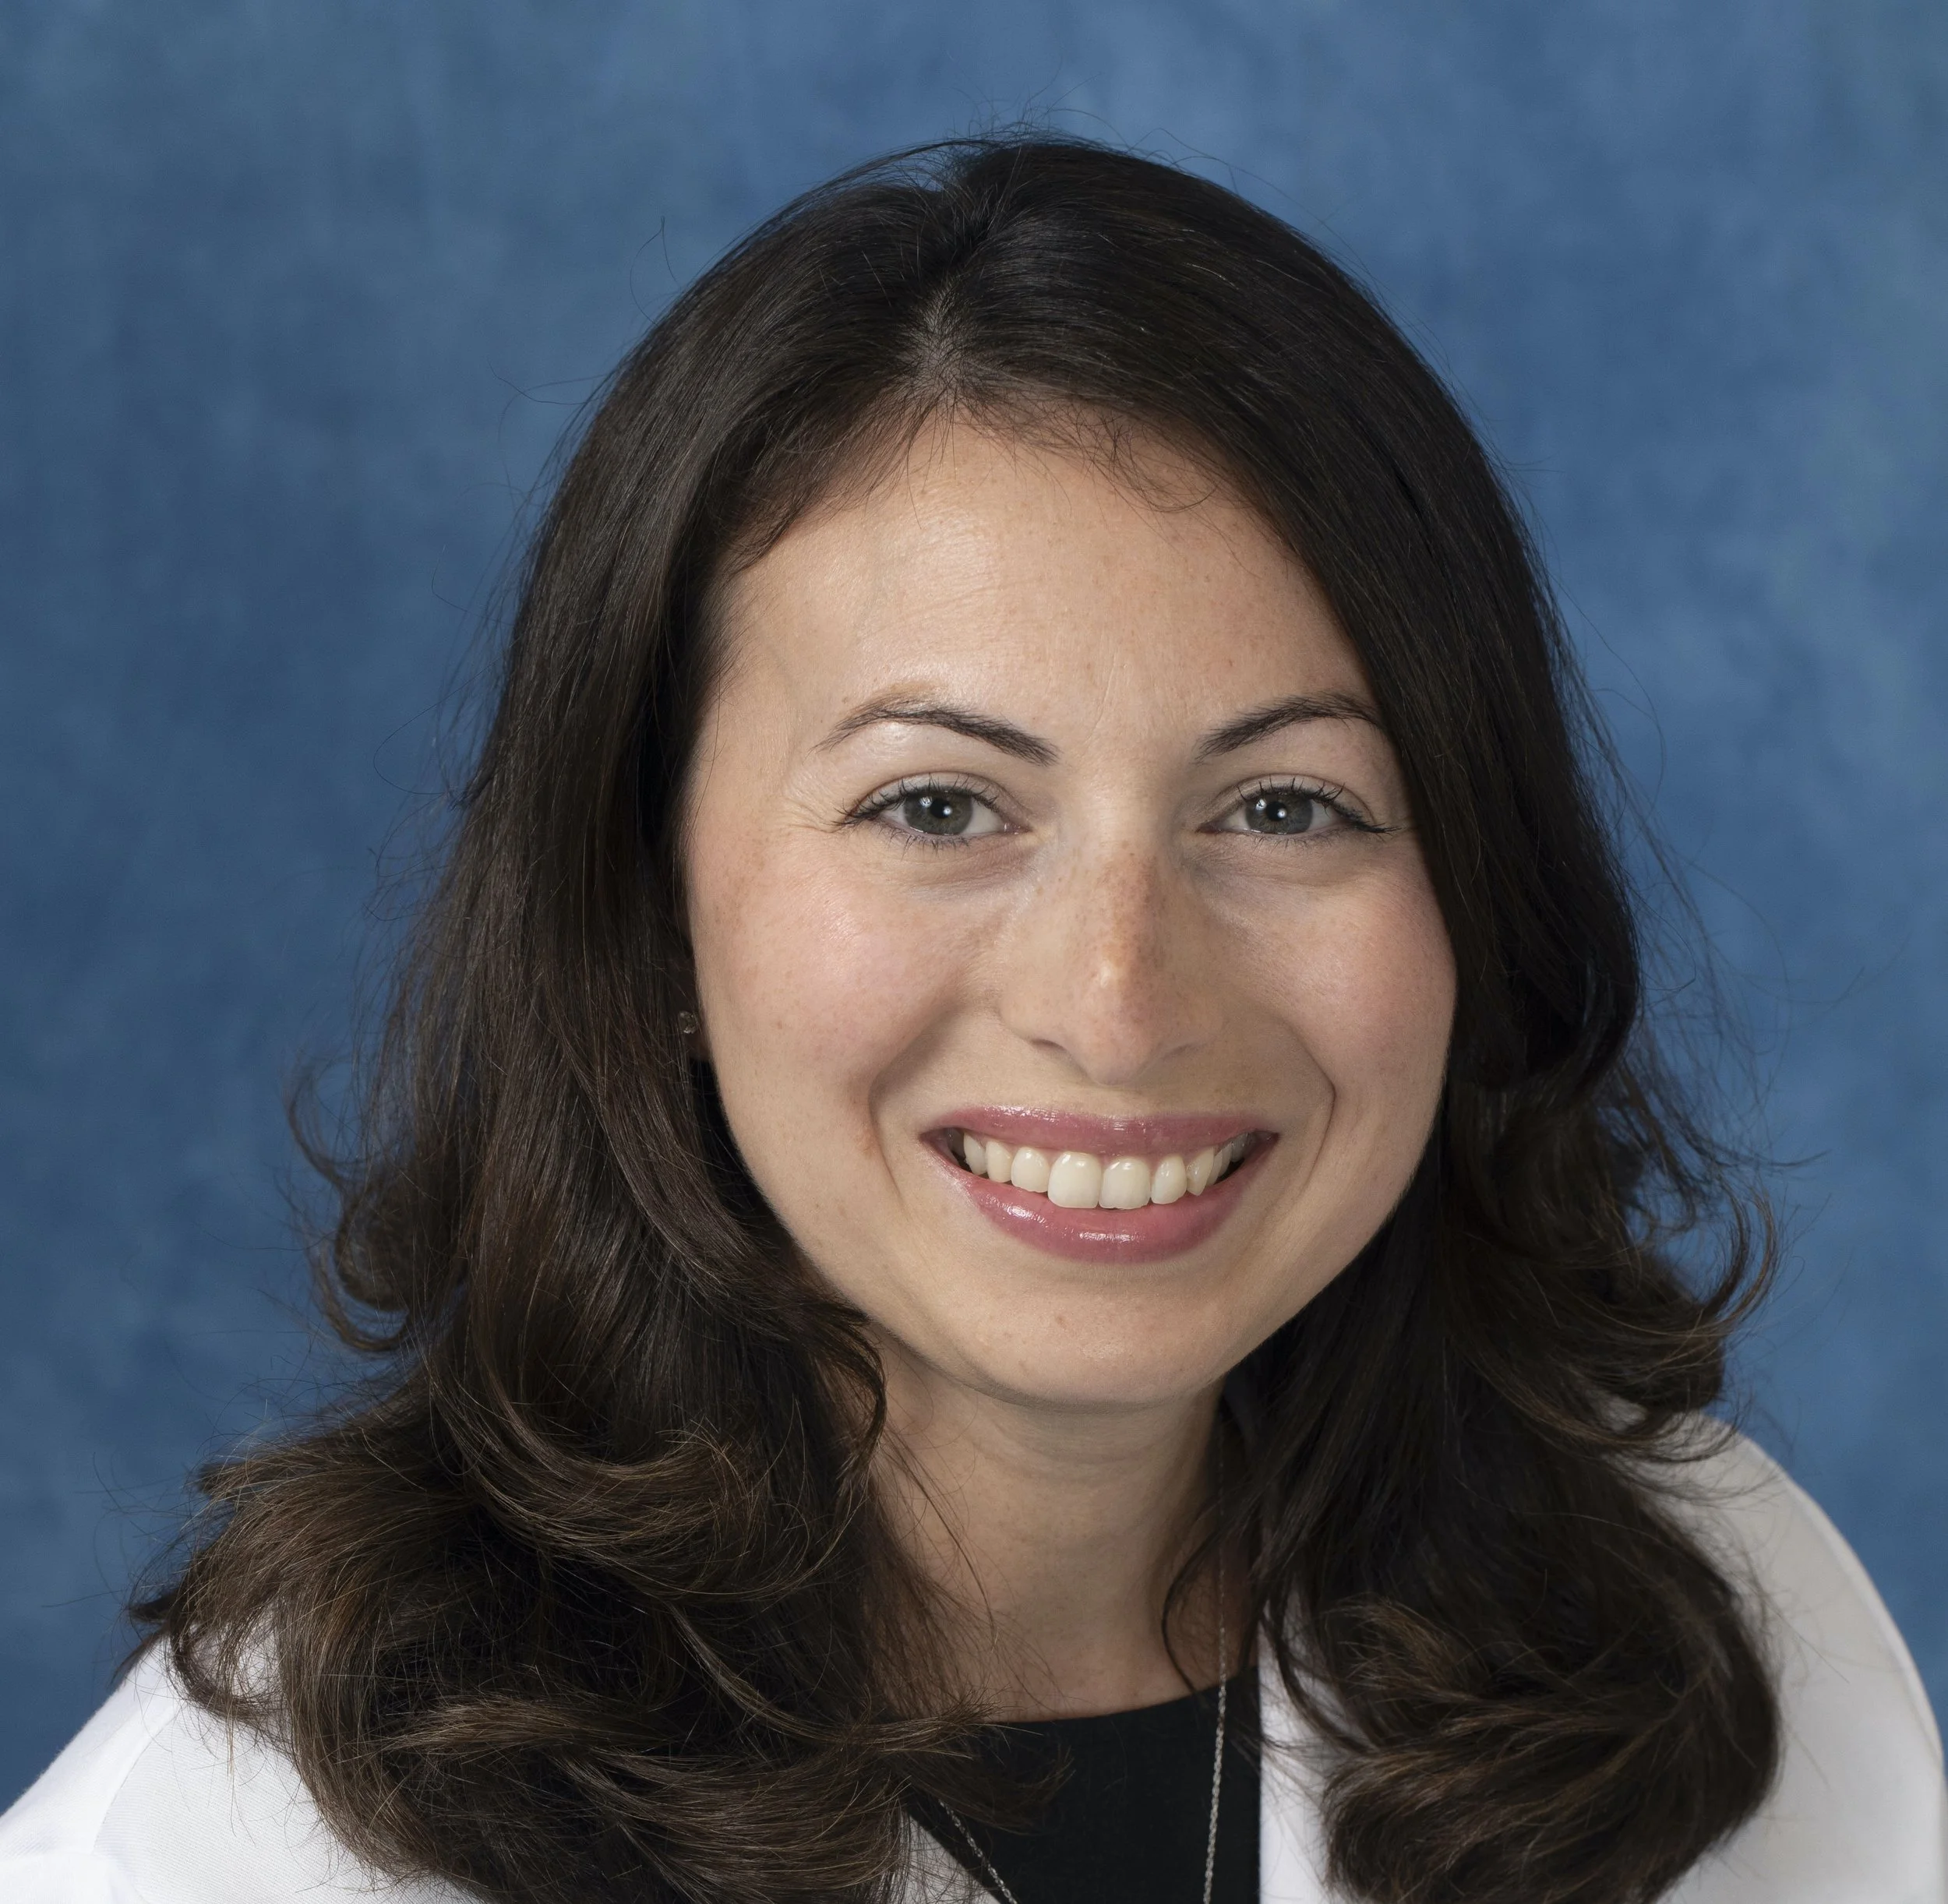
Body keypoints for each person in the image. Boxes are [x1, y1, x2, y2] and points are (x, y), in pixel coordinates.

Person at [2, 136, 1941, 1904]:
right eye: (935, 806)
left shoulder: (1725, 1651)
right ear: (647, 917)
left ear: (1474, 895)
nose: (1117, 1005)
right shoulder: (235, 1855)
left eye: (1283, 808)